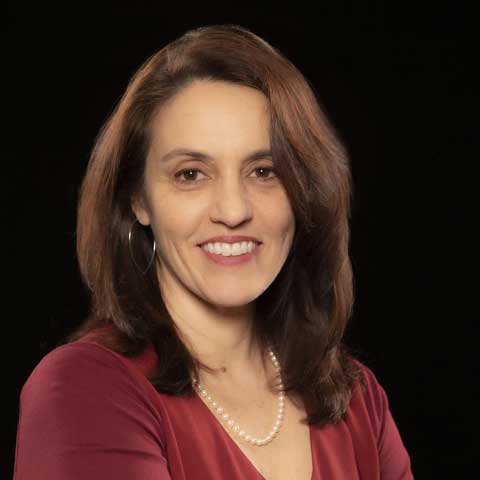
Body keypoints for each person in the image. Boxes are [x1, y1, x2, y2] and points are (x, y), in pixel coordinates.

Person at [13, 24, 414, 479]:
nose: (232, 210)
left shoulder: (357, 400)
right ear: (138, 199)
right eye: (190, 174)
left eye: (264, 171)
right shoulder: (84, 389)